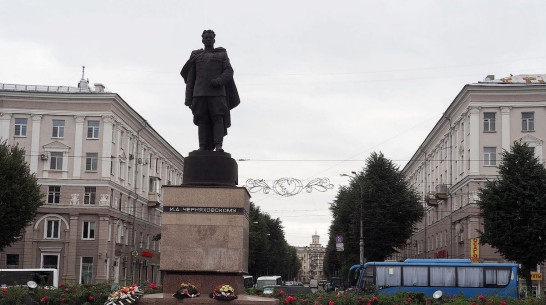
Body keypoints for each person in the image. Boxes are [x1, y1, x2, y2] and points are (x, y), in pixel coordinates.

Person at [181, 29, 240, 152]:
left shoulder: (221, 54)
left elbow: (229, 71)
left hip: (217, 94)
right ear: (202, 40)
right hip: (199, 94)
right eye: (206, 37)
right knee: (202, 120)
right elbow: (190, 78)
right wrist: (188, 99)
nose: (208, 39)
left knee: (218, 118)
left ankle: (218, 145)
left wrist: (219, 81)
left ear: (214, 39)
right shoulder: (196, 56)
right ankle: (202, 146)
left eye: (210, 37)